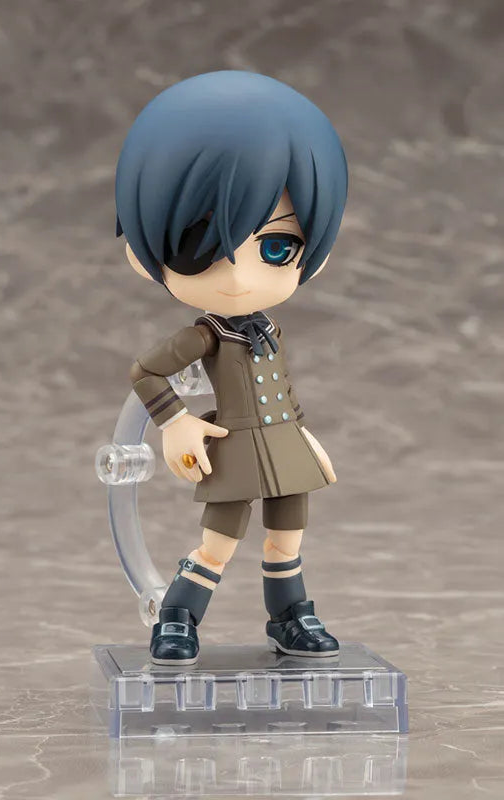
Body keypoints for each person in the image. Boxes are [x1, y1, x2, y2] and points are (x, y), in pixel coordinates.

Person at [115, 70, 348, 665]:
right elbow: (145, 371)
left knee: (287, 538)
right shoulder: (207, 334)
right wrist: (176, 423)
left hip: (285, 446)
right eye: (202, 246)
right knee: (218, 543)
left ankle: (289, 617)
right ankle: (177, 617)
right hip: (234, 449)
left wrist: (305, 438)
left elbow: (282, 392)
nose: (240, 278)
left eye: (276, 247)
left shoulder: (269, 329)